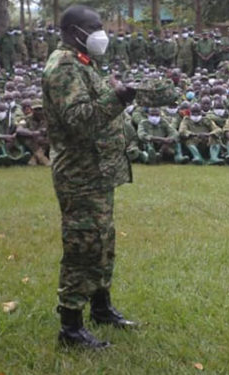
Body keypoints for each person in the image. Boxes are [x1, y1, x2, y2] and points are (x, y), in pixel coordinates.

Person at [42, 4, 142, 349]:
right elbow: (80, 119)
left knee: (102, 241)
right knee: (82, 245)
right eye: (94, 27)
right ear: (74, 31)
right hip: (80, 173)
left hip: (97, 170)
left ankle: (101, 307)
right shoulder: (64, 67)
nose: (102, 33)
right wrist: (117, 98)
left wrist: (113, 92)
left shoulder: (85, 62)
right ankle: (70, 327)